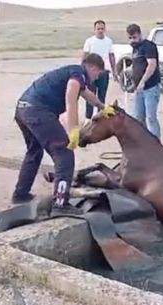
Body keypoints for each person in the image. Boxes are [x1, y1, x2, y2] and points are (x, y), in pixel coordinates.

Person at [12, 53, 106, 215]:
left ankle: (20, 194)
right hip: (37, 111)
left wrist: (102, 107)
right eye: (97, 73)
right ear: (91, 67)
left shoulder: (73, 73)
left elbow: (86, 94)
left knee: (34, 151)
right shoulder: (78, 74)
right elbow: (71, 97)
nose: (97, 77)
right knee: (64, 153)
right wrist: (73, 129)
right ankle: (60, 204)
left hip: (23, 109)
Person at [126, 23, 162, 139]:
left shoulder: (149, 46)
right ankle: (143, 142)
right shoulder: (135, 49)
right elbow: (137, 65)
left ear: (140, 34)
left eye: (134, 37)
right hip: (139, 89)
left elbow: (151, 65)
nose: (133, 40)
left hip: (150, 87)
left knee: (151, 117)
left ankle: (156, 144)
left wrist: (143, 81)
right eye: (130, 38)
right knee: (139, 118)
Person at [82, 19, 117, 119]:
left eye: (102, 28)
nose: (100, 30)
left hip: (103, 73)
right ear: (94, 30)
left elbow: (111, 56)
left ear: (105, 29)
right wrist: (83, 71)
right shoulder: (89, 41)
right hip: (91, 73)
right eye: (98, 29)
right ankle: (88, 119)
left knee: (101, 97)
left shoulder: (109, 41)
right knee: (89, 95)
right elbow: (85, 57)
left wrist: (114, 72)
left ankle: (100, 118)